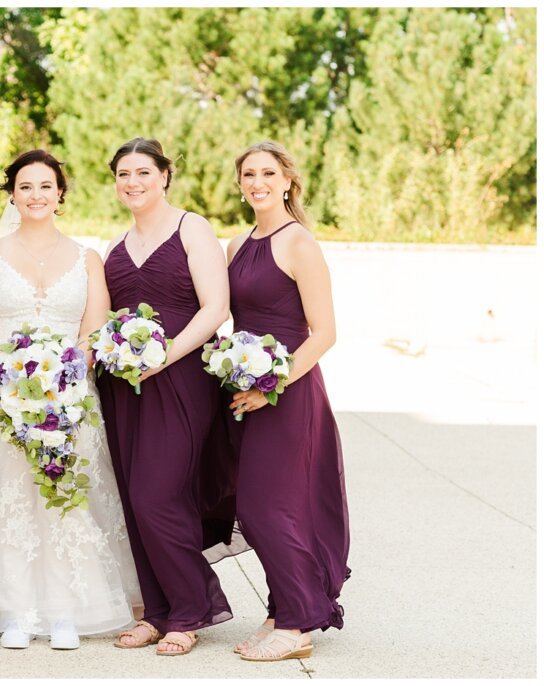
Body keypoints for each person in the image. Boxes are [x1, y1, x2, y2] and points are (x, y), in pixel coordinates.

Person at [0, 150, 142, 650]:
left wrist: (62, 381)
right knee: (8, 497)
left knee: (65, 496)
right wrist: (11, 374)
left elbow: (93, 329)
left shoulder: (87, 257)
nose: (36, 195)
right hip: (3, 392)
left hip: (72, 394)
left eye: (45, 185)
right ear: (12, 193)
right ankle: (13, 609)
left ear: (60, 193)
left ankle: (65, 610)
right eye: (25, 186)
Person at [98, 137, 237, 656]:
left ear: (164, 176)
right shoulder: (114, 244)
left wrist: (164, 356)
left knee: (160, 495)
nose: (132, 183)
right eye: (123, 175)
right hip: (124, 387)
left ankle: (190, 608)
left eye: (142, 173)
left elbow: (215, 307)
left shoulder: (191, 228)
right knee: (135, 499)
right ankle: (156, 611)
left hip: (181, 378)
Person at [225, 141, 350, 662]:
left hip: (288, 393)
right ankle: (280, 612)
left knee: (267, 506)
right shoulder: (236, 244)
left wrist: (269, 386)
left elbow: (324, 333)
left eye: (267, 173)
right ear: (240, 184)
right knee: (256, 505)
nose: (258, 182)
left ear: (287, 181)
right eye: (249, 174)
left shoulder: (299, 243)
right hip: (245, 392)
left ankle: (298, 625)